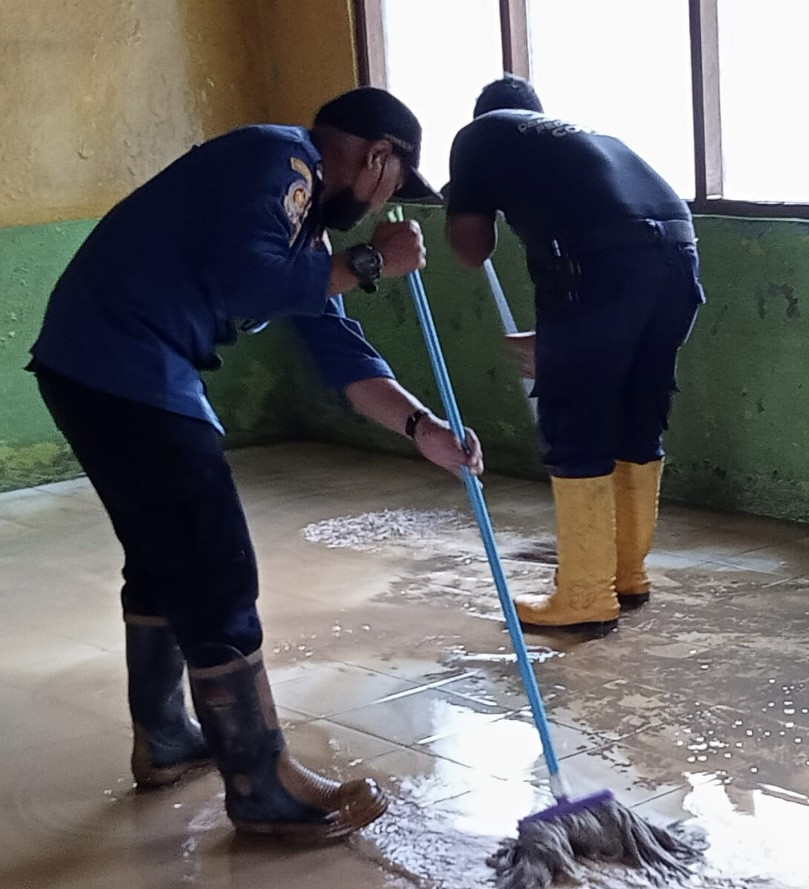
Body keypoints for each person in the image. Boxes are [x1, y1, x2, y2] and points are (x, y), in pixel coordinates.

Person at [27, 86, 483, 843]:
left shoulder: (295, 223)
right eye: (392, 184)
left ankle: (168, 737)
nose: (380, 204)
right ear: (376, 159)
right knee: (215, 566)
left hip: (99, 359)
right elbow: (253, 283)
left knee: (164, 556)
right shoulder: (279, 158)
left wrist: (421, 427)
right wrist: (372, 260)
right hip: (124, 362)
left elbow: (337, 347)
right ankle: (262, 784)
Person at [445, 75, 704, 631]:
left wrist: (458, 199)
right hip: (679, 259)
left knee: (575, 422)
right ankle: (626, 576)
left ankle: (585, 596)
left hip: (598, 266)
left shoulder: (476, 136)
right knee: (638, 414)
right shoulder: (582, 141)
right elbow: (621, 254)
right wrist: (567, 340)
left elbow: (472, 249)